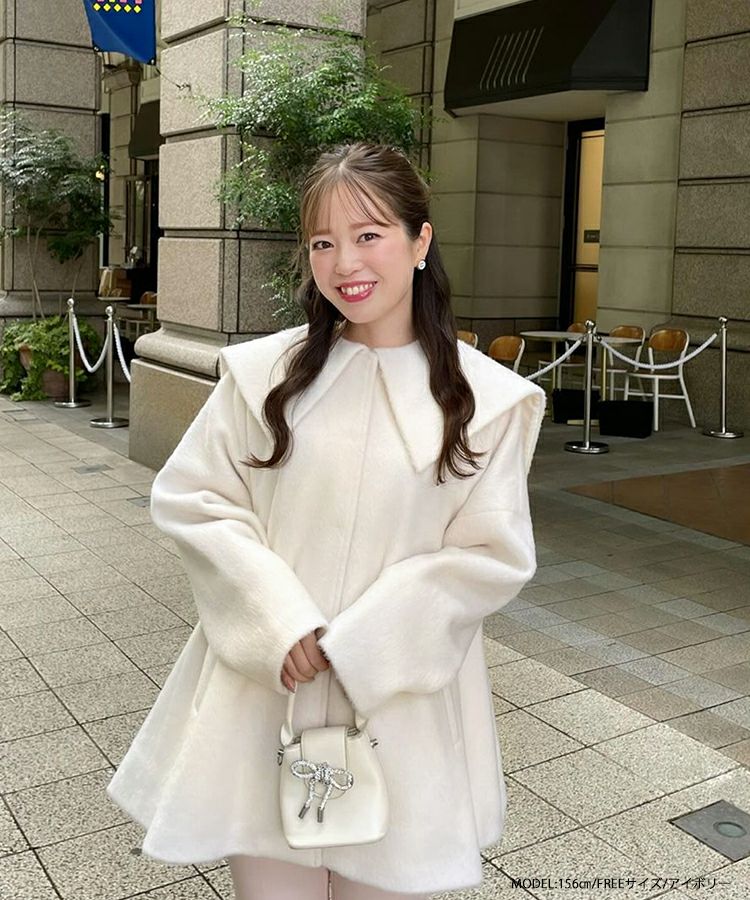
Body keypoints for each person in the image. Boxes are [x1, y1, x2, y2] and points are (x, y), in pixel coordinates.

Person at [106, 143, 546, 899]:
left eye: (369, 235)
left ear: (420, 240)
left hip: (399, 706)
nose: (345, 263)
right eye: (322, 242)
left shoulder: (488, 403)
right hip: (265, 691)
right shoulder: (264, 376)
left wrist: (368, 642)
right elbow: (195, 498)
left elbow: (491, 553)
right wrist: (275, 618)